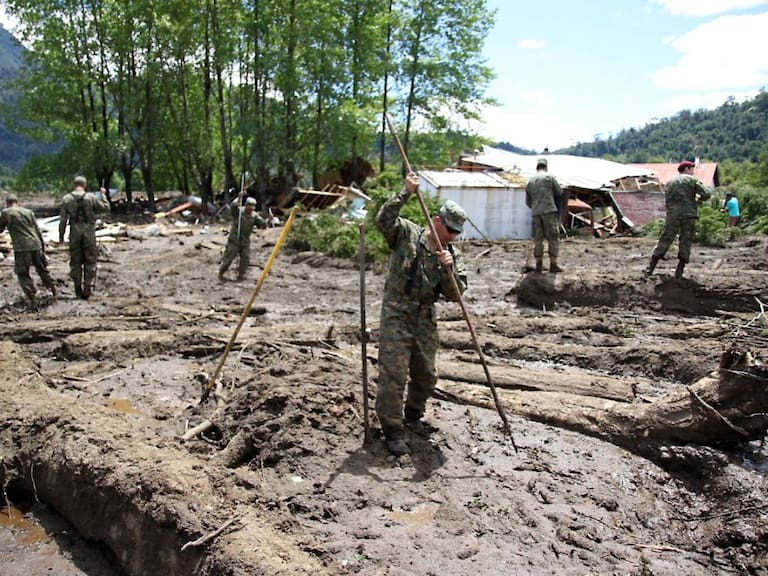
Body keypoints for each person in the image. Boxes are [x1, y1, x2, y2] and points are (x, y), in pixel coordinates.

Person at [375, 172, 468, 456]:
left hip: (424, 318)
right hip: (396, 313)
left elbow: (456, 294)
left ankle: (413, 414)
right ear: (437, 221)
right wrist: (405, 192)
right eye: (449, 230)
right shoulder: (406, 232)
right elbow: (382, 221)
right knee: (394, 373)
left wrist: (448, 269)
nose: (452, 236)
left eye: (456, 233)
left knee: (427, 374)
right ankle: (391, 429)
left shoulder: (451, 256)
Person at [645, 160, 711, 279]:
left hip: (673, 215)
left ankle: (650, 268)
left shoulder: (669, 182)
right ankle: (679, 272)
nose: (692, 171)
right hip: (688, 214)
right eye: (691, 169)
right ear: (686, 169)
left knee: (665, 239)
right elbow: (706, 194)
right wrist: (698, 201)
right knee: (685, 241)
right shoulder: (692, 180)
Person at [0, 193, 57, 310]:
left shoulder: (6, 212)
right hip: (36, 245)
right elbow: (37, 229)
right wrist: (42, 246)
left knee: (22, 273)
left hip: (22, 247)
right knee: (42, 269)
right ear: (17, 202)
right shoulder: (28, 212)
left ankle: (32, 299)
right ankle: (54, 290)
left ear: (7, 203)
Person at [58, 175, 111, 299]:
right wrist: (103, 195)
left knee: (75, 261)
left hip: (74, 232)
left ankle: (77, 289)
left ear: (74, 185)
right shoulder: (90, 197)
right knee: (90, 260)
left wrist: (61, 237)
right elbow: (105, 208)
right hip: (89, 231)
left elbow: (63, 220)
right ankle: (87, 288)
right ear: (84, 185)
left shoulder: (66, 199)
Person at [525, 158, 564, 273]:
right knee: (553, 237)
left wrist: (536, 207)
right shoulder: (550, 177)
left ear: (537, 167)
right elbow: (559, 192)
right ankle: (553, 264)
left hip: (536, 213)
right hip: (549, 211)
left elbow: (528, 202)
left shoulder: (530, 181)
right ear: (546, 167)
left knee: (538, 238)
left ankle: (538, 265)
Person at [218, 191, 267, 281]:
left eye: (252, 208)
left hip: (245, 240)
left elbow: (263, 224)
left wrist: (268, 220)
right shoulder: (239, 211)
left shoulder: (254, 216)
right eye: (249, 207)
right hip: (235, 239)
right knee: (229, 258)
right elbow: (233, 207)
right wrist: (239, 198)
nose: (251, 209)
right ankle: (221, 273)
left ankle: (241, 275)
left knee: (245, 258)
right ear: (246, 205)